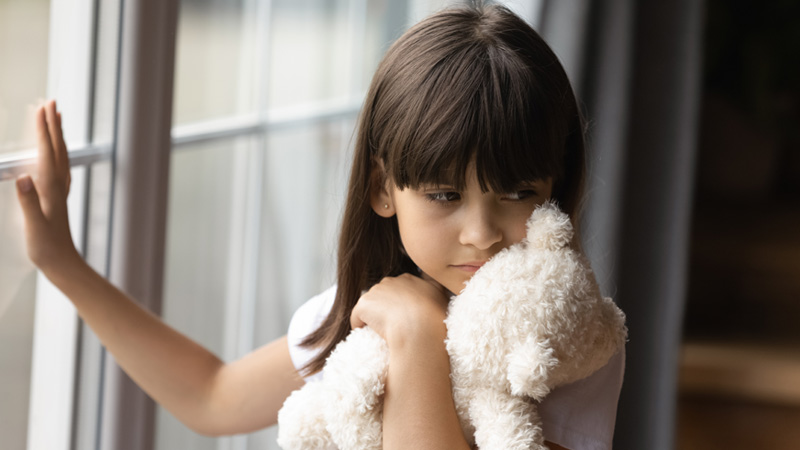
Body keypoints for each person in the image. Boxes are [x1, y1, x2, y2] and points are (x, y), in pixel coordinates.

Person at [15, 3, 624, 450]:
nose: (481, 232)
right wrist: (62, 264)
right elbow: (210, 395)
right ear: (383, 189)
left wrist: (417, 337)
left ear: (555, 188)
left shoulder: (565, 345)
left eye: (518, 192)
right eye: (443, 194)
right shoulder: (363, 313)